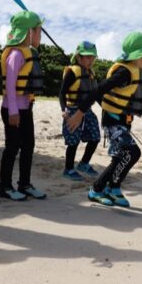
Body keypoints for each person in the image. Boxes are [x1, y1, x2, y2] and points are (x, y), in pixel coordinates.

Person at [66, 32, 142, 207]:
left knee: (119, 157)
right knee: (132, 152)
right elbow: (98, 90)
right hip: (112, 120)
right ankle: (96, 189)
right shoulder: (124, 72)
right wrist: (80, 112)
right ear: (141, 53)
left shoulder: (139, 73)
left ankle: (112, 188)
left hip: (124, 121)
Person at [0, 10, 47, 200]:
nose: (40, 36)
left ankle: (24, 184)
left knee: (28, 146)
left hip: (26, 109)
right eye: (38, 32)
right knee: (12, 147)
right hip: (13, 110)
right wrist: (13, 110)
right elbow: (10, 84)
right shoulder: (16, 54)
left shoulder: (29, 53)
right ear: (28, 32)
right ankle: (4, 186)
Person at [59, 41, 101, 181]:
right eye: (88, 57)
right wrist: (63, 109)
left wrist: (106, 107)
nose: (91, 60)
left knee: (95, 137)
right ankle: (68, 169)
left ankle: (83, 164)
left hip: (87, 110)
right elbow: (62, 93)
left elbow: (96, 94)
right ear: (79, 57)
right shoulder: (72, 72)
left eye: (93, 57)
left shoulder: (91, 73)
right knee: (73, 141)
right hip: (72, 110)